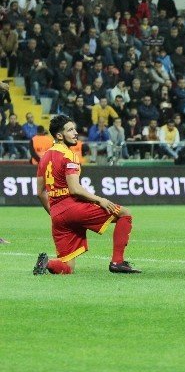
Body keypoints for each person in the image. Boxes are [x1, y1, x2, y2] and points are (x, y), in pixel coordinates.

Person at [33, 115, 140, 275]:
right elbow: (75, 189)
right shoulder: (69, 155)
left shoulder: (44, 158)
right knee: (125, 214)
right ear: (59, 135)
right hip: (73, 207)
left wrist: (54, 212)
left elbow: (40, 192)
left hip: (57, 214)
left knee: (67, 267)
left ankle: (48, 263)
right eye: (70, 130)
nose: (75, 133)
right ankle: (117, 262)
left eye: (75, 129)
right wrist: (100, 200)